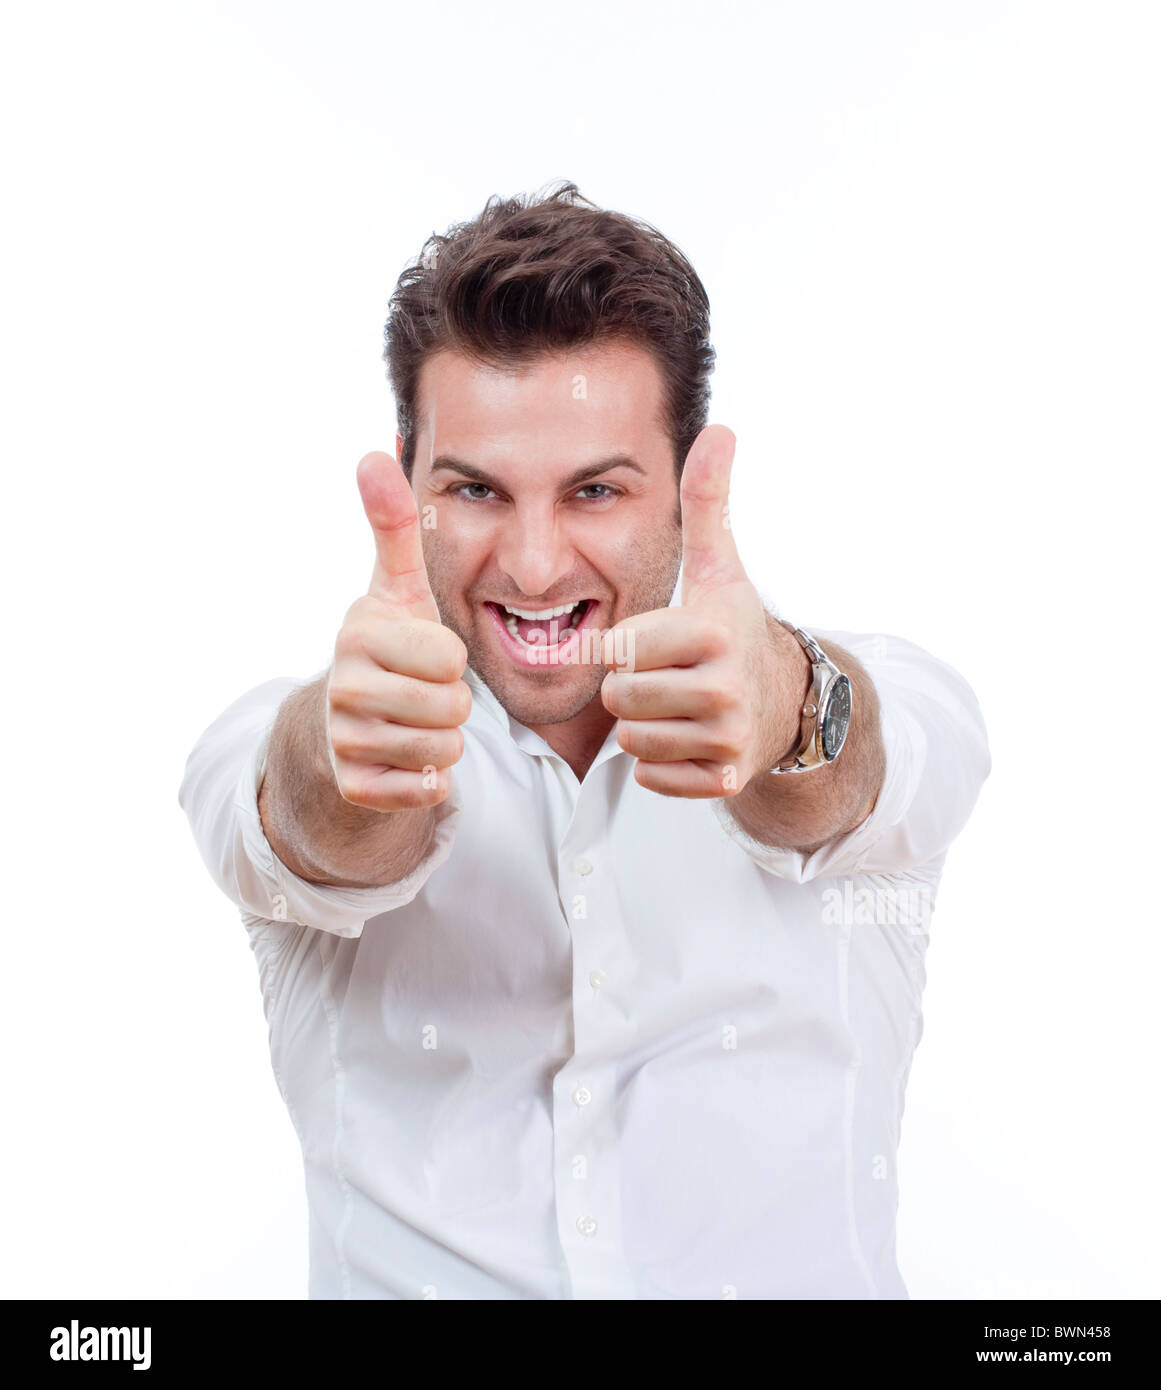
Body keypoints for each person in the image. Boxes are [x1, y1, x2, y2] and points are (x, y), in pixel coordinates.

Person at [178, 181, 990, 1300]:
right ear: (409, 480)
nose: (535, 564)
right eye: (474, 490)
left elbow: (839, 783)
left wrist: (790, 704)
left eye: (596, 490)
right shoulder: (270, 739)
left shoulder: (890, 691)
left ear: (685, 481)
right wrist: (351, 757)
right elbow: (320, 829)